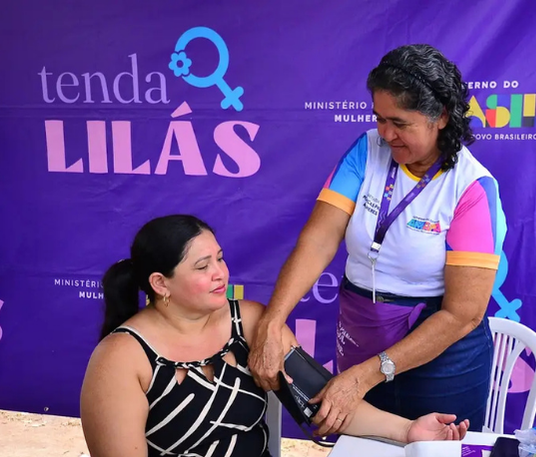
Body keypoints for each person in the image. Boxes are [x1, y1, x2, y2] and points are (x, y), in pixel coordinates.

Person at [248, 44, 506, 434]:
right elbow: (319, 239)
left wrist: (363, 377)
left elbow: (463, 314)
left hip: (440, 357)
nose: (386, 134)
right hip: (362, 334)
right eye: (379, 119)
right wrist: (272, 321)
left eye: (400, 123)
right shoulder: (366, 150)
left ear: (440, 117)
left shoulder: (471, 188)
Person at [79, 215, 469, 457]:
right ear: (160, 283)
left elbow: (320, 400)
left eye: (220, 258)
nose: (221, 273)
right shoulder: (121, 357)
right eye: (203, 266)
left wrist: (407, 430)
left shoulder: (249, 323)